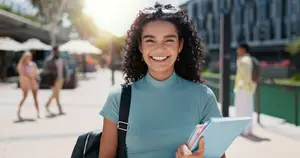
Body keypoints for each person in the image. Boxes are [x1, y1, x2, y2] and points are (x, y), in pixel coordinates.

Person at [99, 3, 225, 158]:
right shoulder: (118, 98)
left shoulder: (203, 96)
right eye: (150, 40)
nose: (159, 49)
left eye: (169, 40)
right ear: (140, 46)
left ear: (180, 45)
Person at [234, 43, 257, 136]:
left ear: (243, 50)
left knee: (241, 110)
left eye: (238, 49)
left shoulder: (244, 60)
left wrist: (241, 85)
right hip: (248, 88)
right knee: (248, 110)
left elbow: (246, 76)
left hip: (243, 88)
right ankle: (247, 130)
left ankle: (243, 130)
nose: (237, 51)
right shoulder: (248, 59)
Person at [44, 46, 69, 115]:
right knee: (56, 93)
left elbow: (65, 68)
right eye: (56, 51)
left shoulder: (62, 59)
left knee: (56, 93)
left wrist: (66, 77)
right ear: (53, 52)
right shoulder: (49, 60)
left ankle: (47, 104)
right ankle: (59, 109)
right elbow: (46, 69)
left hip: (61, 79)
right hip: (53, 79)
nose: (57, 52)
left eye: (58, 51)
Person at [17, 51, 40, 120]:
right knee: (24, 97)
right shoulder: (21, 65)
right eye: (27, 57)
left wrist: (33, 76)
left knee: (35, 98)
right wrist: (29, 76)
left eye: (29, 57)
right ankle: (19, 110)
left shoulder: (33, 64)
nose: (28, 58)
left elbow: (36, 72)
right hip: (25, 83)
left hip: (33, 83)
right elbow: (22, 74)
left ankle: (38, 112)